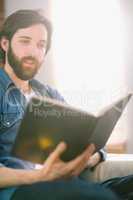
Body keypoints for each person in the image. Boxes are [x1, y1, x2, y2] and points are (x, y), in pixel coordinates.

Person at [0, 9, 120, 200]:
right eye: (25, 41)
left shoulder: (49, 94)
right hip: (21, 190)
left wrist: (88, 158)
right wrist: (39, 176)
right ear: (5, 44)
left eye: (41, 45)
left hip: (67, 184)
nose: (33, 51)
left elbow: (91, 141)